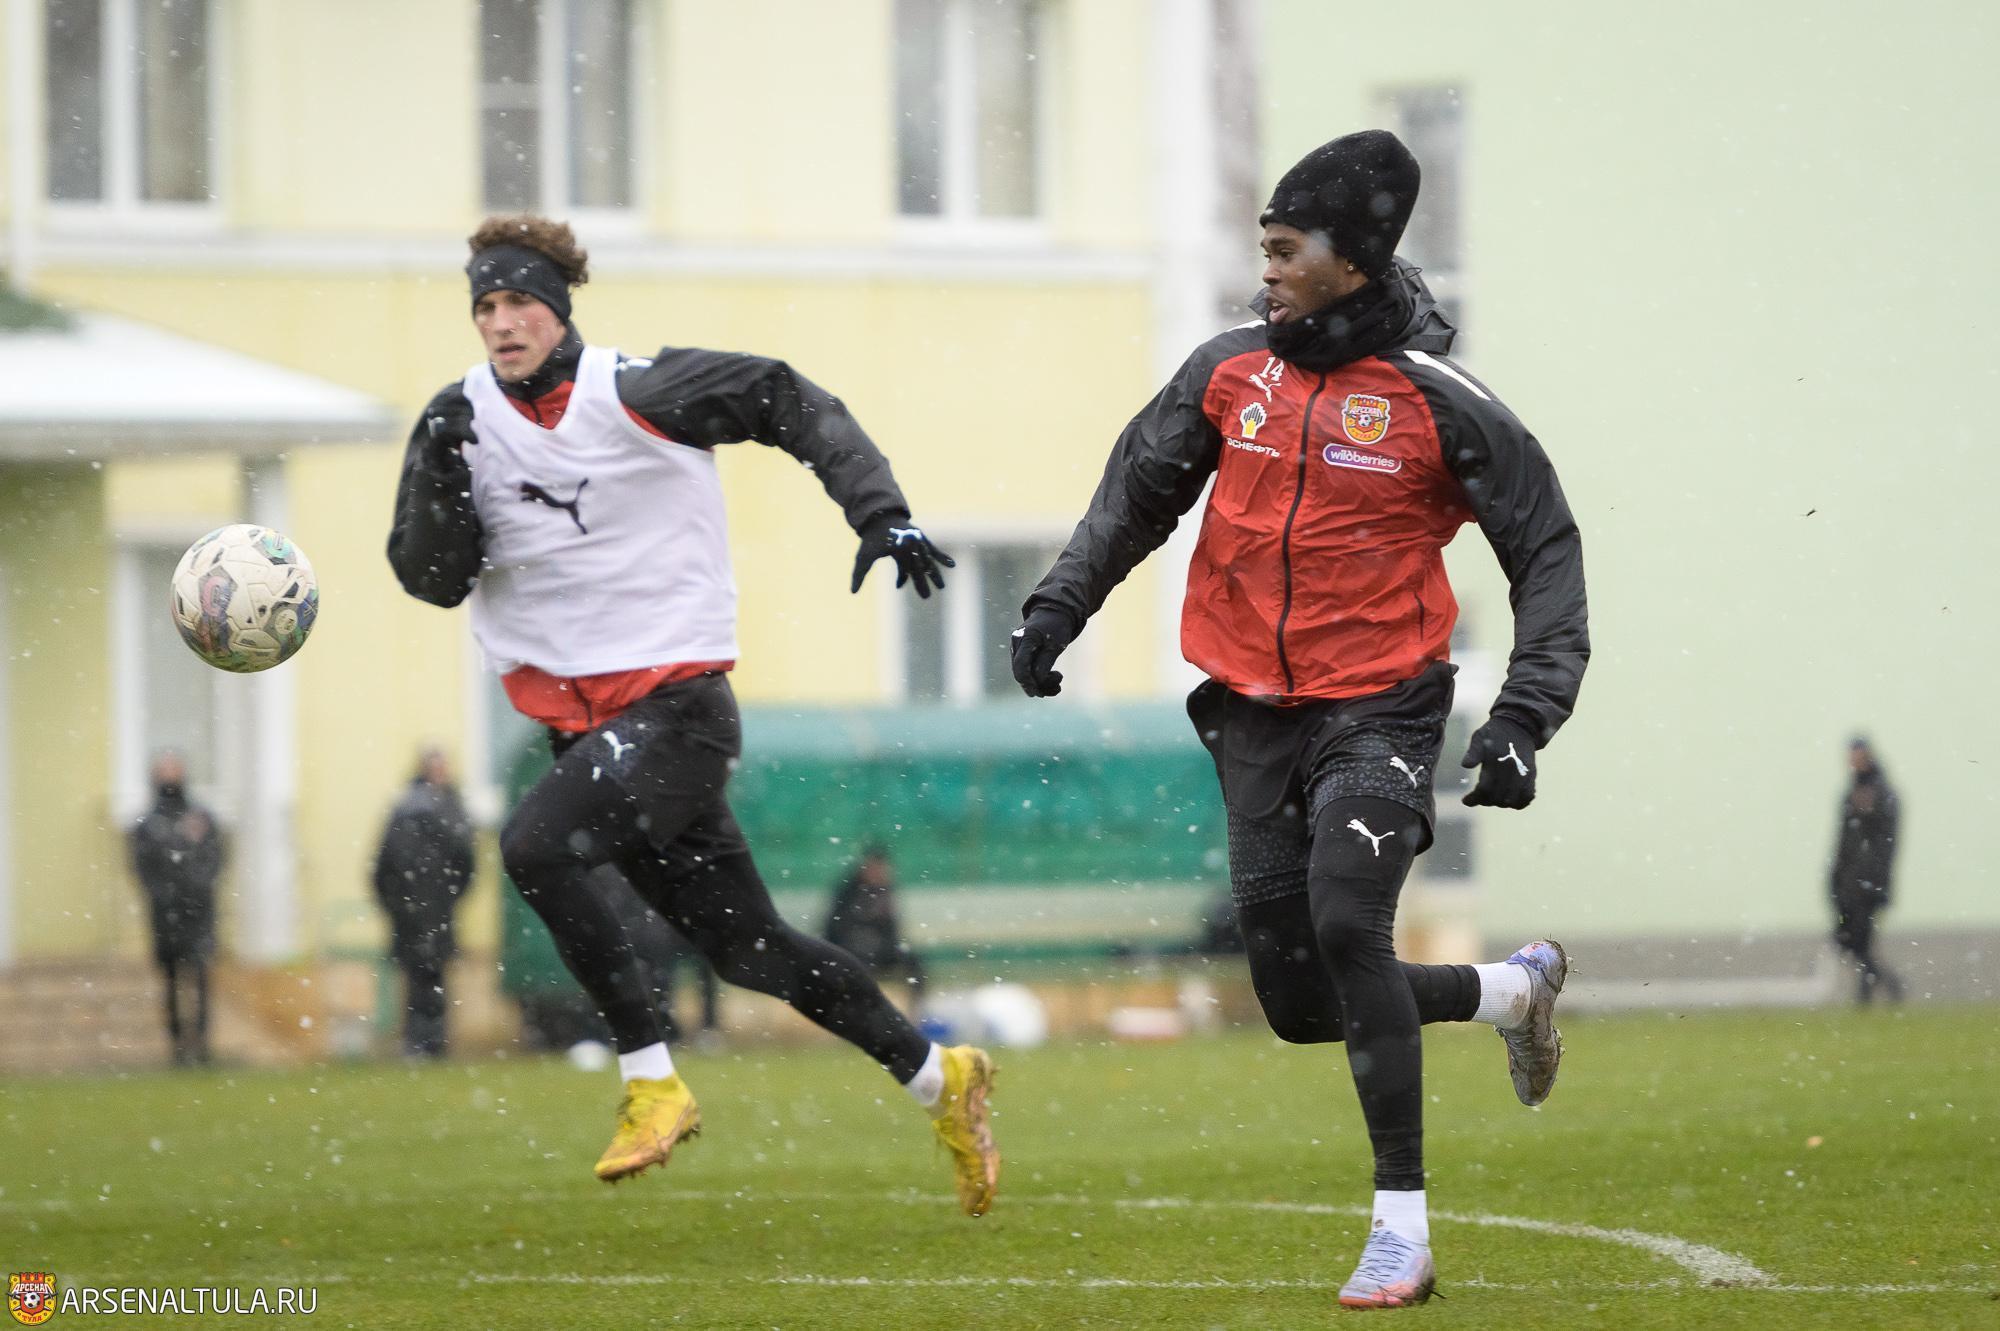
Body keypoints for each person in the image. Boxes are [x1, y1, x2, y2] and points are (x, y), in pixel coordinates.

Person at [1010, 130, 1590, 1308]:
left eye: (1284, 250)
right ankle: (1506, 991)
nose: (1264, 270)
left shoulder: (1441, 402)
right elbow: (1132, 498)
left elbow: (1545, 553)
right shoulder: (1227, 372)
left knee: (1344, 924)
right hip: (1250, 715)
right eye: (1262, 248)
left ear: (1352, 259)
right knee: (1295, 1003)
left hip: (1379, 707)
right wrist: (1057, 606)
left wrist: (1522, 716)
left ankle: (1399, 1231)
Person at [387, 214, 998, 1215]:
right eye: (485, 305)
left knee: (536, 847)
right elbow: (430, 577)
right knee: (750, 949)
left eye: (520, 299)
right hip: (591, 733)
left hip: (678, 713)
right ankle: (941, 1076)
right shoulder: (457, 419)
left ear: (559, 306)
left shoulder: (639, 391)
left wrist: (880, 511)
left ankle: (650, 1078)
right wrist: (440, 478)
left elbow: (788, 397)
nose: (501, 321)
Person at [371, 748, 477, 1058]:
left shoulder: (445, 808)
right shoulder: (413, 809)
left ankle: (431, 1041)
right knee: (419, 976)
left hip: (432, 910)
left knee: (432, 975)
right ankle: (420, 1041)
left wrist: (446, 899)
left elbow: (465, 864)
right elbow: (385, 866)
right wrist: (400, 905)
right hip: (415, 912)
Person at [127, 751, 224, 1067]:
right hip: (165, 914)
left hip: (198, 912)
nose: (170, 775)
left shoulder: (200, 818)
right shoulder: (147, 825)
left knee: (200, 976)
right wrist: (164, 895)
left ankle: (202, 1043)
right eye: (165, 769)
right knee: (170, 980)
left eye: (175, 769)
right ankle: (177, 1045)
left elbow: (215, 858)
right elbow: (142, 867)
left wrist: (197, 887)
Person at [1829, 736, 1903, 1004]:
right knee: (1851, 940)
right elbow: (1843, 841)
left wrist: (1873, 878)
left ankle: (1870, 991)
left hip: (1869, 883)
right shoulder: (1852, 793)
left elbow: (1884, 843)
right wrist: (1836, 877)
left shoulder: (1882, 793)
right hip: (1848, 883)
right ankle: (1880, 984)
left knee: (1861, 939)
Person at [823, 845, 927, 999]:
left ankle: (916, 1005)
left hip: (879, 949)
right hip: (850, 947)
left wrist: (887, 944)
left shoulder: (885, 890)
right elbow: (836, 927)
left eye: (880, 868)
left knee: (911, 959)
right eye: (873, 868)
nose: (877, 872)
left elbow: (892, 928)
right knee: (858, 963)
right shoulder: (849, 891)